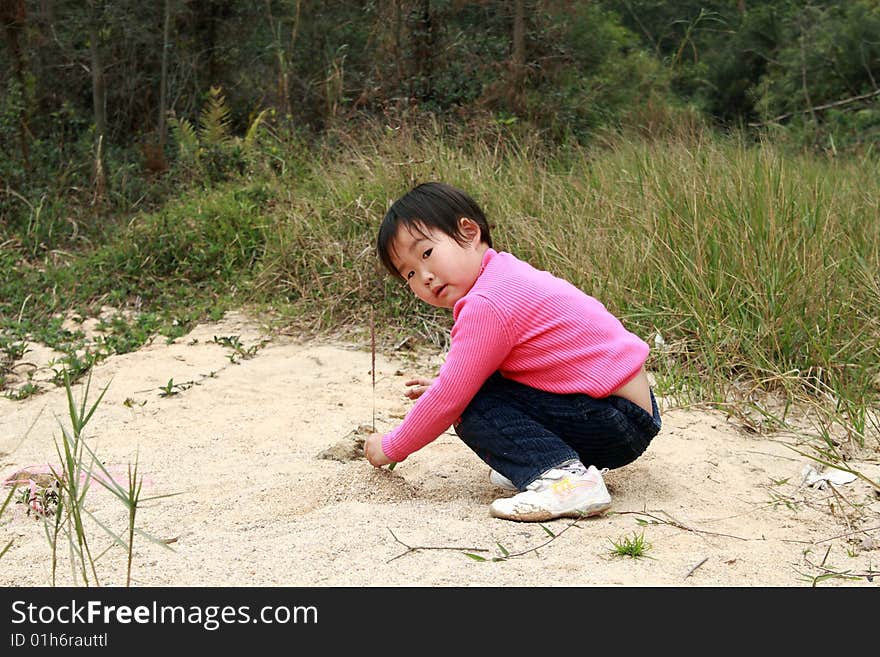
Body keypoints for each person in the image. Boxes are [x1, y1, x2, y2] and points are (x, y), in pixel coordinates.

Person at [364, 182, 661, 522]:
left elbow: (450, 399)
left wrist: (389, 447)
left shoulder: (486, 303)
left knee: (468, 405)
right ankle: (548, 461)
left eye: (427, 253)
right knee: (473, 392)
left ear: (469, 231)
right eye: (410, 274)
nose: (425, 277)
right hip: (630, 412)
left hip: (613, 422)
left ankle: (565, 480)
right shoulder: (505, 273)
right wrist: (449, 387)